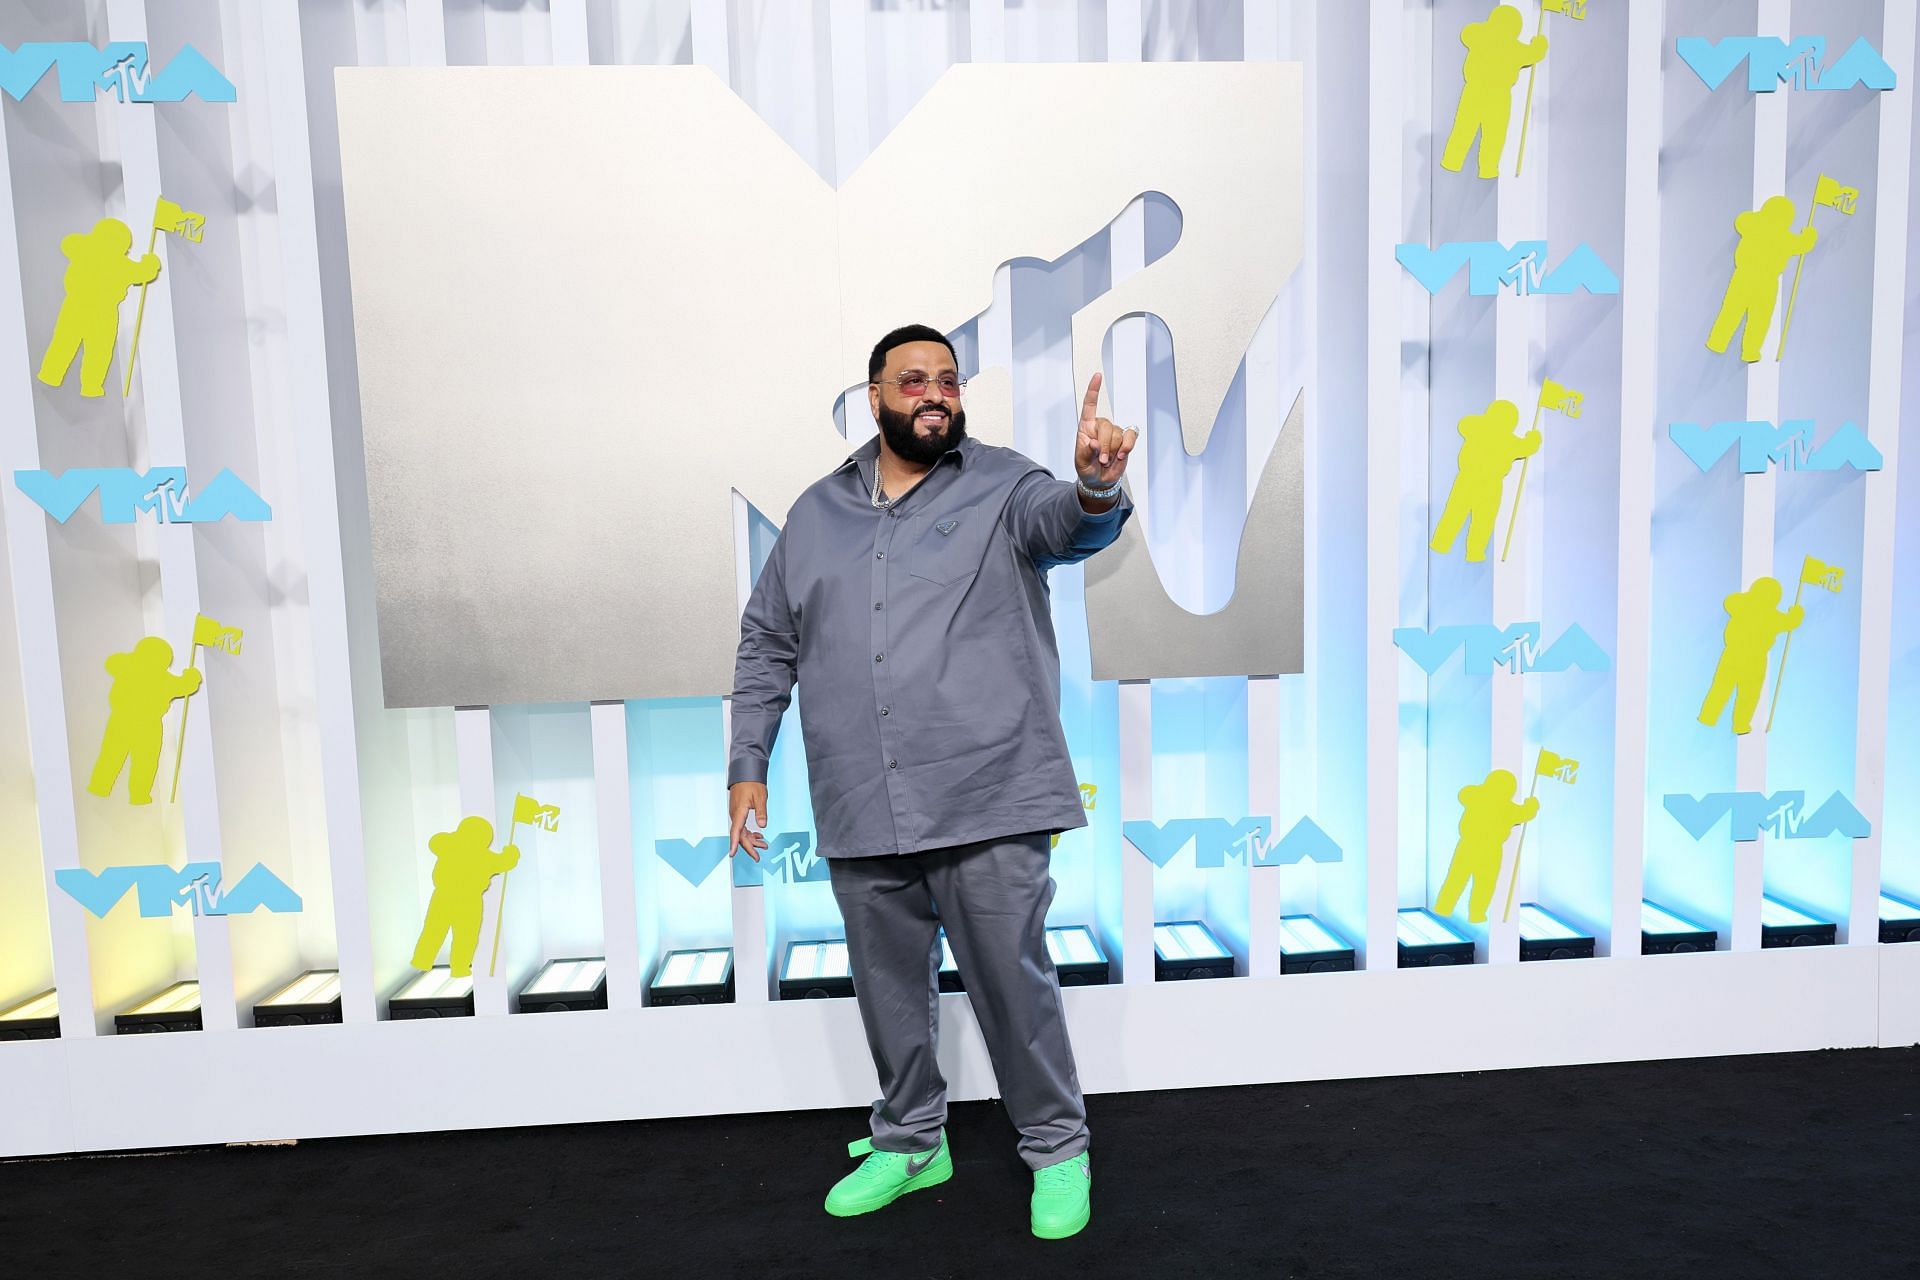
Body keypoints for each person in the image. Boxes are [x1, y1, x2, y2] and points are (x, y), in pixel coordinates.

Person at [726, 324, 1137, 1241]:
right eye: (912, 380)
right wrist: (747, 764)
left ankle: (1057, 1149)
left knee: (1012, 988)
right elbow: (767, 643)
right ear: (873, 398)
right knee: (888, 993)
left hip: (989, 792)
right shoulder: (814, 514)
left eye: (947, 379)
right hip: (861, 799)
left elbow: (1065, 525)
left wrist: (1098, 487)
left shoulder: (1005, 486)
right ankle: (913, 1141)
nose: (933, 394)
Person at [1441, 4, 1548, 180]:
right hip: (1498, 95)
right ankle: (1488, 169)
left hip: (1476, 90)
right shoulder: (1514, 47)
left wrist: (1487, 28)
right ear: (1516, 27)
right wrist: (1540, 43)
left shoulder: (1480, 35)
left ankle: (1452, 161)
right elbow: (1534, 54)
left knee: (1464, 128)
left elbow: (1467, 32)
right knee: (1494, 135)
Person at [1706, 196, 1816, 363]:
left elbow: (1741, 220)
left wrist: (1759, 216)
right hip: (1766, 281)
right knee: (1760, 319)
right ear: (1788, 218)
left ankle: (1717, 342)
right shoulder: (1785, 238)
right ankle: (1750, 352)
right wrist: (1810, 234)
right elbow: (1803, 245)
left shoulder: (1754, 224)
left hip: (1744, 276)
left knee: (1731, 311)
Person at [1698, 576, 1802, 735]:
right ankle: (1739, 724)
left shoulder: (1743, 605)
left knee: (1722, 687)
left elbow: (1729, 601)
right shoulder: (1772, 616)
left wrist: (1749, 598)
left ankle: (1708, 717)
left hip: (1735, 654)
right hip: (1754, 659)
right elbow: (1790, 622)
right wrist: (1797, 613)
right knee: (1748, 694)